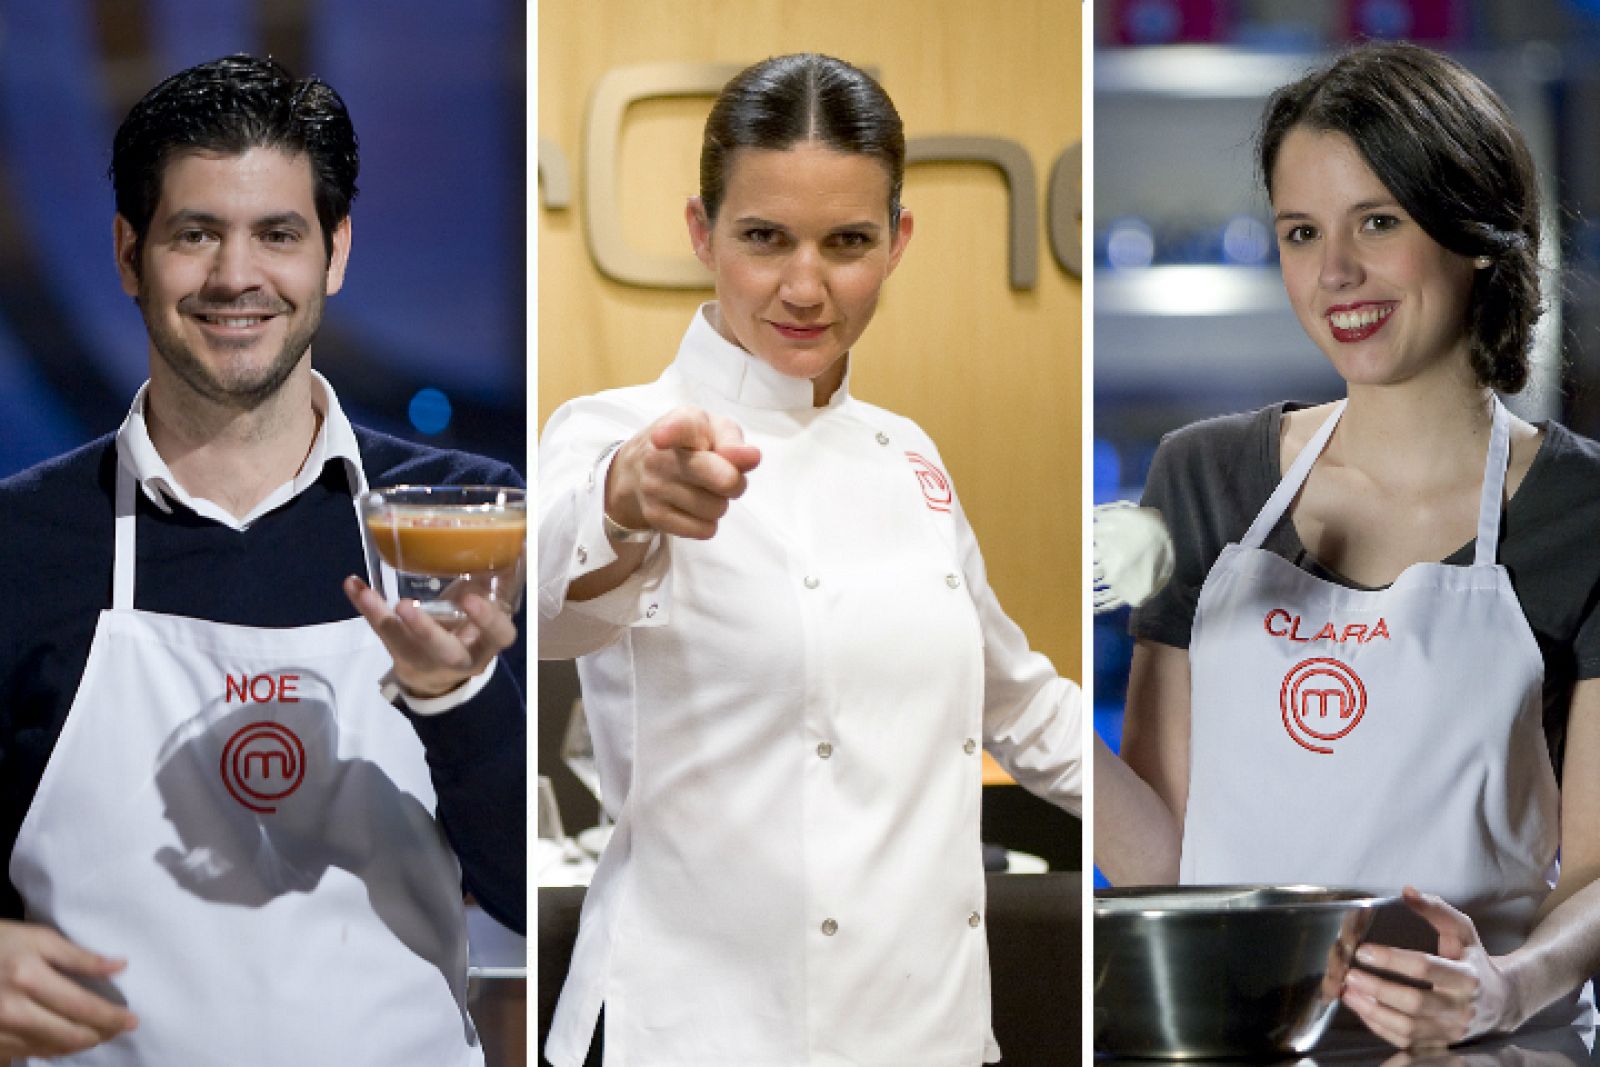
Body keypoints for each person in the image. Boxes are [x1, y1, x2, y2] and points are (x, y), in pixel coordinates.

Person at [538, 53, 1083, 1067]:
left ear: (897, 240)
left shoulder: (909, 452)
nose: (804, 284)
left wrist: (1196, 824)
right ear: (701, 232)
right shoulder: (617, 431)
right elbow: (550, 609)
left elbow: (1016, 700)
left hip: (932, 1031)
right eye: (762, 238)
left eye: (846, 242)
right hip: (702, 1031)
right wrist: (622, 502)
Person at [0, 55, 525, 1064]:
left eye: (277, 234)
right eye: (196, 233)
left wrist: (457, 701)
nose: (237, 275)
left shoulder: (454, 519)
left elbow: (519, 884)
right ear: (126, 252)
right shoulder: (24, 542)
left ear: (334, 252)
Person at [1103, 41, 1600, 1048]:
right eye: (1299, 230)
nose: (1333, 273)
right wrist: (1020, 686)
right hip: (1243, 1035)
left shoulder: (1579, 505)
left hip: (1489, 1044)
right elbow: (1170, 860)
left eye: (1377, 221)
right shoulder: (1206, 478)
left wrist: (1502, 985)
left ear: (1473, 233)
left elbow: (1595, 869)